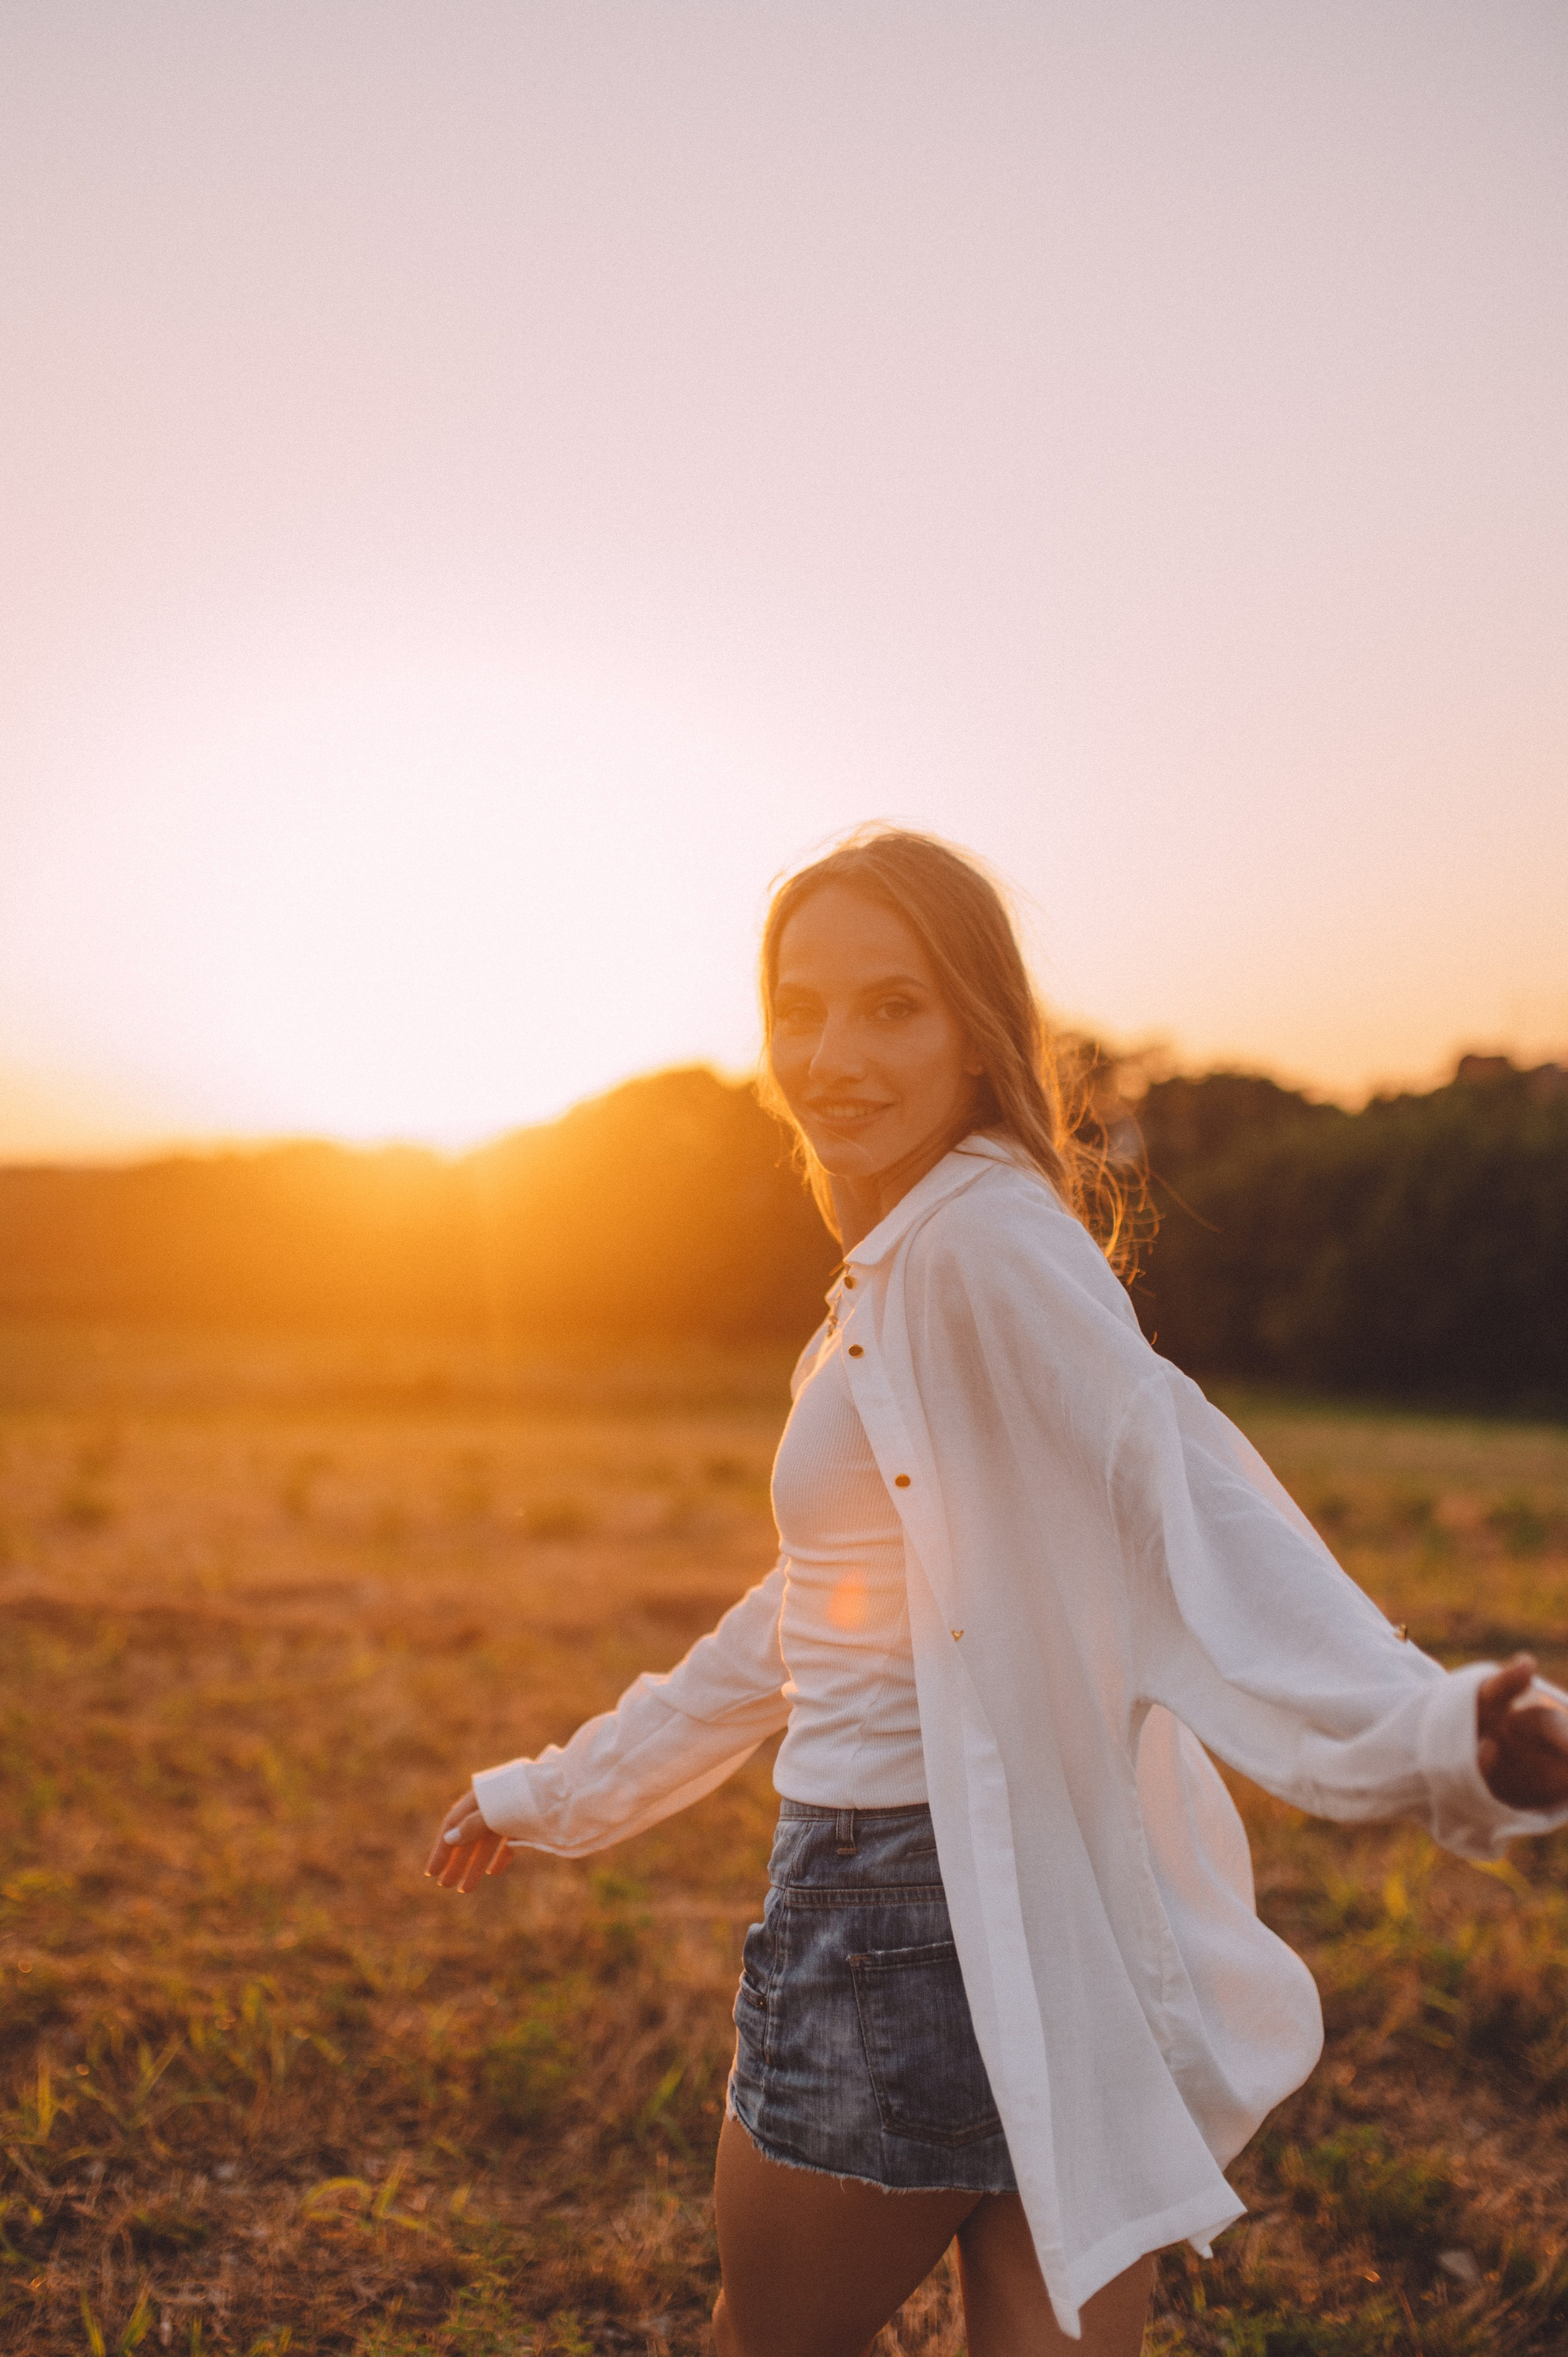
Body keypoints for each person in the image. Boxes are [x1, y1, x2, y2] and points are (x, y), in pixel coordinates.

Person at [426, 828, 1568, 2356]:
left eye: (892, 1006)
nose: (832, 1055)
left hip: (888, 1909)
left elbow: (1175, 1486)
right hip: (1036, 1896)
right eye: (800, 1008)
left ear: (977, 1032)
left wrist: (1424, 1727)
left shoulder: (973, 1245)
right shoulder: (922, 1255)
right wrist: (557, 1788)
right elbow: (808, 1611)